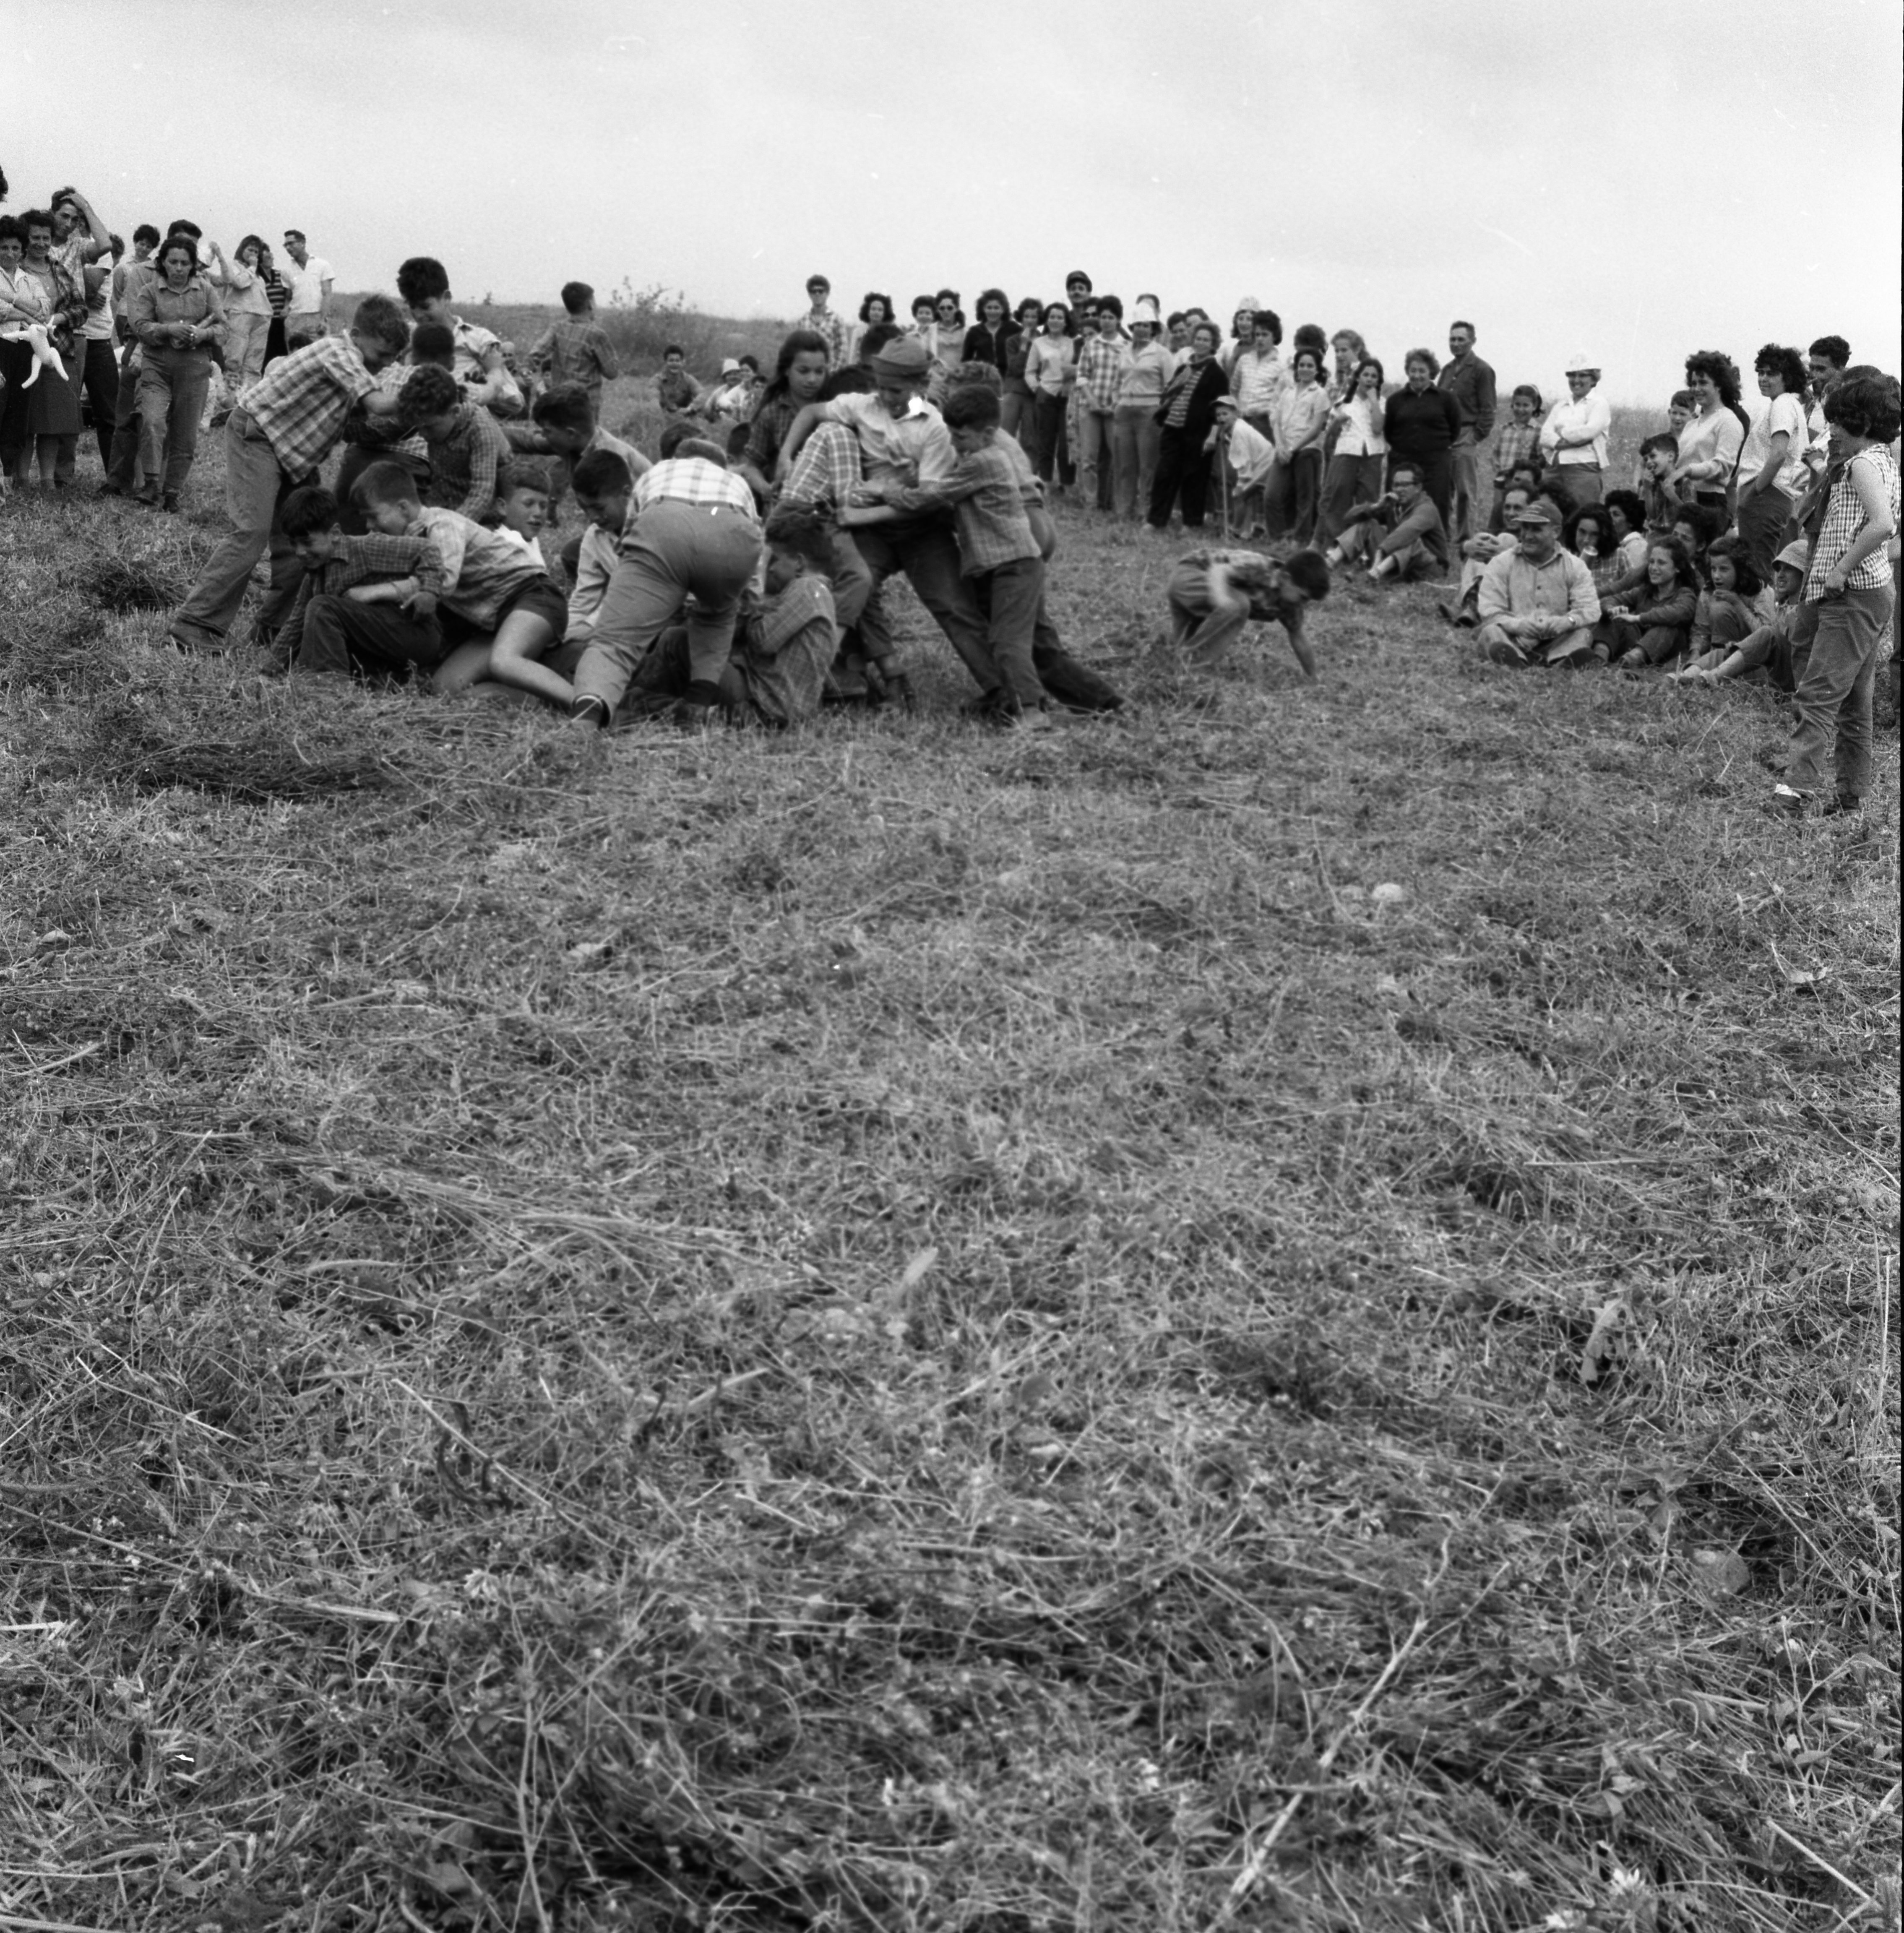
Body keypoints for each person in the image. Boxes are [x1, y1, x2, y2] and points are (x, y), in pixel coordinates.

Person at [167, 293, 412, 654]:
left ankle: (274, 630)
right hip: (258, 436)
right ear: (356, 335)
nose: (385, 365)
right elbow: (379, 405)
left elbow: (364, 427)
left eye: (394, 358)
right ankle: (194, 624)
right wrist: (426, 394)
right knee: (251, 531)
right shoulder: (339, 352)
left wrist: (414, 419)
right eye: (381, 356)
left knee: (308, 539)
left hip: (293, 457)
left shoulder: (356, 368)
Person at [842, 383, 1051, 728]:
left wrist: (884, 491)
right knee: (1009, 635)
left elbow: (928, 498)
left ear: (986, 433)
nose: (953, 444)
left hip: (1013, 563)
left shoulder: (981, 461)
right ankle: (1020, 700)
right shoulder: (977, 455)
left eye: (960, 438)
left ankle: (1030, 708)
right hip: (1005, 562)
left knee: (1006, 639)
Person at [568, 425, 765, 729]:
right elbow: (753, 557)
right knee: (717, 617)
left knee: (613, 645)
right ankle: (697, 705)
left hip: (665, 522)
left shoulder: (658, 472)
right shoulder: (735, 482)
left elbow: (631, 543)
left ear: (679, 457)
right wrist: (747, 601)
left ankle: (582, 726)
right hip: (732, 534)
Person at [1768, 372, 1899, 820]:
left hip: (1853, 595)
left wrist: (1842, 569)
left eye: (1838, 424)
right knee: (1854, 702)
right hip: (1871, 595)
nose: (1832, 434)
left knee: (1819, 695)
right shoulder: (1876, 461)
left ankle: (1795, 792)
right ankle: (1850, 797)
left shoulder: (1863, 465)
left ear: (1859, 423)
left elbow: (1882, 524)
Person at [276, 481, 447, 678]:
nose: (300, 552)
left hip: (415, 633)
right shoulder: (314, 576)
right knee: (318, 627)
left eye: (307, 542)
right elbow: (295, 624)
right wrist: (268, 671)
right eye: (293, 544)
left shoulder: (366, 548)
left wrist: (429, 592)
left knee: (323, 608)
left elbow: (428, 550)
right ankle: (384, 678)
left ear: (334, 534)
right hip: (383, 644)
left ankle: (328, 689)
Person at [128, 233, 226, 509]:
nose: (179, 269)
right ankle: (150, 484)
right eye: (174, 262)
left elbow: (224, 328)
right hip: (156, 368)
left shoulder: (206, 291)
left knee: (185, 433)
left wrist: (202, 334)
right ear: (163, 263)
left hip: (195, 368)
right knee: (152, 421)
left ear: (193, 264)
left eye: (185, 263)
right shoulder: (149, 291)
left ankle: (172, 493)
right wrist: (168, 330)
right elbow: (140, 326)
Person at [1164, 543, 1328, 675]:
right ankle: (1194, 668)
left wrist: (1313, 676)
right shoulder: (1260, 567)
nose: (1304, 604)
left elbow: (1298, 636)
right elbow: (1219, 569)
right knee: (1239, 605)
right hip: (1190, 576)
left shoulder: (1289, 603)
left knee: (1179, 653)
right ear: (1286, 579)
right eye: (1303, 597)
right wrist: (1222, 601)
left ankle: (1179, 666)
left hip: (1199, 600)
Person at [9, 208, 87, 486]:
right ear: (25, 239)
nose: (41, 243)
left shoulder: (60, 269)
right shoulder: (13, 272)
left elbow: (81, 309)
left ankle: (47, 481)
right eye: (35, 237)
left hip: (58, 351)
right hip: (21, 352)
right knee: (24, 421)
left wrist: (60, 318)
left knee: (52, 423)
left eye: (46, 237)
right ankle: (20, 479)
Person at [1476, 500, 1600, 668]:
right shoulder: (1501, 563)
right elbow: (1490, 610)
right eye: (1525, 528)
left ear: (1556, 532)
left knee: (1583, 634)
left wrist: (1567, 621)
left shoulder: (1575, 566)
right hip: (1513, 639)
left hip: (1555, 642)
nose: (1527, 536)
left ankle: (1561, 662)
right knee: (1490, 632)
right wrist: (1518, 625)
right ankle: (1514, 659)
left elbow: (1591, 609)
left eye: (1536, 530)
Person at [1671, 539, 1809, 688]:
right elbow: (1701, 629)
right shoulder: (1784, 605)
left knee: (1765, 632)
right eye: (1779, 569)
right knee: (1723, 653)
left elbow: (1769, 637)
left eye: (1788, 569)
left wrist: (1738, 604)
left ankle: (1714, 678)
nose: (1780, 575)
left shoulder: (1809, 610)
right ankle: (1682, 679)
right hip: (1764, 665)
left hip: (1788, 678)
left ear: (1805, 573)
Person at [394, 257, 520, 412]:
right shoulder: (407, 340)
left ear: (446, 298)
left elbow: (514, 401)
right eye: (413, 307)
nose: (419, 315)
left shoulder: (477, 340)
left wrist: (471, 391)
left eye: (425, 307)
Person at [399, 363, 511, 522]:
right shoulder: (439, 424)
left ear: (455, 412)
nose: (423, 435)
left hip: (486, 517)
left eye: (428, 428)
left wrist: (451, 525)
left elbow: (482, 493)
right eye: (419, 429)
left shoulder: (480, 430)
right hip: (451, 506)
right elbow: (439, 483)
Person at [1734, 344, 1809, 576]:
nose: (1763, 379)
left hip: (1767, 495)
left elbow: (1778, 454)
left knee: (1758, 571)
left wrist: (1754, 490)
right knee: (1764, 567)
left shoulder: (1783, 405)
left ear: (1787, 377)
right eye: (1761, 372)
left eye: (1772, 373)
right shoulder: (1788, 404)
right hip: (1774, 495)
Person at [1147, 321, 1229, 532]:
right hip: (1173, 429)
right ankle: (1156, 521)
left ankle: (1191, 523)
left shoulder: (1217, 374)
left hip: (1199, 434)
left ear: (1213, 344)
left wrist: (1213, 437)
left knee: (1195, 479)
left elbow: (1220, 411)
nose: (1201, 343)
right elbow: (1171, 395)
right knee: (1165, 475)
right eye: (1198, 339)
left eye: (1206, 340)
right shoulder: (1184, 369)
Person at [0, 214, 61, 486]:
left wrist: (13, 303)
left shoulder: (29, 279)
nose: (10, 253)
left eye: (15, 248)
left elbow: (44, 309)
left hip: (25, 350)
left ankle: (7, 474)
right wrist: (22, 311)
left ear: (22, 250)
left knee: (17, 412)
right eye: (4, 247)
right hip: (2, 346)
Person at [1326, 460, 1447, 581]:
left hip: (1427, 569)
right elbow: (1349, 518)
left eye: (1405, 485)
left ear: (1418, 488)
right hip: (1397, 563)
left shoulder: (1427, 509)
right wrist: (1377, 506)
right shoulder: (1393, 505)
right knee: (1368, 524)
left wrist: (1380, 553)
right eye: (1396, 485)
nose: (1399, 490)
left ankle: (1377, 575)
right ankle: (1329, 564)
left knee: (1411, 540)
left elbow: (1407, 532)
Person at [1382, 349, 1461, 534]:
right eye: (1413, 371)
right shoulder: (1395, 400)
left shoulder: (1447, 399)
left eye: (1422, 371)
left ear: (1431, 373)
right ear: (1408, 372)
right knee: (1398, 501)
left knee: (1437, 502)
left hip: (1436, 462)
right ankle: (1397, 541)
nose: (1417, 376)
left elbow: (1454, 430)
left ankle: (1437, 545)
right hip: (1402, 460)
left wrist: (1434, 447)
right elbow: (1389, 432)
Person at [1594, 537, 1701, 669]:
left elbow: (1677, 613)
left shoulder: (1685, 594)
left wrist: (1638, 618)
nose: (1654, 568)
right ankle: (1598, 659)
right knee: (1614, 618)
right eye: (1652, 562)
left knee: (1666, 626)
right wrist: (1612, 610)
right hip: (1635, 644)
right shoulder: (1644, 592)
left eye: (1661, 563)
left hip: (1665, 653)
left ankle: (1629, 662)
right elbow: (1610, 600)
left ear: (1677, 568)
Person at [1435, 320, 1497, 544]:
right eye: (1453, 339)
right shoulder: (1447, 370)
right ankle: (1441, 536)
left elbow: (1488, 409)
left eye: (1461, 339)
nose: (1456, 344)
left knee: (1465, 492)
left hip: (1466, 434)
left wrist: (1474, 436)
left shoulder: (1482, 370)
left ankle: (1466, 541)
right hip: (1444, 438)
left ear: (1473, 341)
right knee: (1442, 491)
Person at [1111, 301, 1173, 521]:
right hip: (1125, 409)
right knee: (1125, 464)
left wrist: (1162, 411)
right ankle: (1123, 510)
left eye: (1146, 325)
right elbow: (1117, 380)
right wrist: (1116, 403)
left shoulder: (1162, 354)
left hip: (1149, 410)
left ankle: (1147, 511)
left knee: (1149, 465)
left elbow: (1171, 387)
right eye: (1138, 325)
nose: (1141, 330)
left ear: (1154, 329)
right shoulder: (1124, 351)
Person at [1318, 355, 1387, 544]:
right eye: (1366, 375)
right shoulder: (1344, 401)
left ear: (1379, 380)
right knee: (1339, 497)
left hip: (1372, 455)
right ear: (1358, 377)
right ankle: (1336, 543)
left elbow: (1377, 429)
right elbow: (1330, 432)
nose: (1370, 379)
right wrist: (1338, 422)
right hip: (1347, 453)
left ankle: (1364, 546)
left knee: (1368, 501)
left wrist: (1374, 401)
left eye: (1374, 376)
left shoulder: (1382, 402)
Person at [1266, 344, 1330, 543]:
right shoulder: (1288, 392)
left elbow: (1316, 428)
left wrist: (1294, 449)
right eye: (1302, 365)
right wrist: (1280, 445)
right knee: (1272, 495)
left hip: (1307, 451)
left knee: (1305, 498)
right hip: (1284, 449)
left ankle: (1301, 539)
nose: (1305, 369)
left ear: (1317, 370)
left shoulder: (1319, 394)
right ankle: (1278, 538)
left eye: (1310, 366)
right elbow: (1277, 420)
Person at [1072, 297, 1128, 516]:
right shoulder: (1090, 345)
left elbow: (1127, 378)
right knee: (1089, 459)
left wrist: (1115, 404)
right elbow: (1082, 376)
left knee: (1115, 458)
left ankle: (1113, 503)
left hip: (1115, 409)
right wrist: (1093, 402)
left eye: (1111, 318)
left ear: (1119, 320)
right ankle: (1091, 503)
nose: (1106, 322)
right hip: (1090, 407)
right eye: (1103, 317)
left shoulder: (1126, 347)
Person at [526, 282, 620, 407]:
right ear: (590, 304)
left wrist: (526, 369)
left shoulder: (557, 328)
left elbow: (537, 353)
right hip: (586, 405)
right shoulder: (597, 335)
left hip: (560, 402)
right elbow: (612, 372)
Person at [1538, 357, 1612, 511]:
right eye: (1572, 375)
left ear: (1593, 380)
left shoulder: (1599, 404)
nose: (1576, 380)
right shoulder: (1561, 405)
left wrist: (1562, 432)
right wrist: (1565, 443)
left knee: (1581, 514)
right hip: (1554, 467)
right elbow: (1545, 435)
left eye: (1583, 375)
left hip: (1583, 467)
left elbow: (1589, 432)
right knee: (1547, 512)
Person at [206, 236, 276, 396]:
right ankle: (228, 399)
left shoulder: (258, 274)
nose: (253, 254)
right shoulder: (234, 265)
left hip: (262, 317)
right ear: (242, 249)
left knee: (254, 364)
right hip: (240, 314)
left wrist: (254, 269)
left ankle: (249, 398)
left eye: (256, 252)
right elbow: (238, 283)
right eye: (250, 250)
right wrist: (252, 268)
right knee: (234, 360)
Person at [1023, 302, 1076, 490]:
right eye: (1052, 317)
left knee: (1066, 444)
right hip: (1046, 395)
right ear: (1046, 320)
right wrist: (1037, 388)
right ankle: (1045, 481)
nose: (1055, 321)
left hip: (1068, 397)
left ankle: (1067, 483)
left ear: (1066, 321)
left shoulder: (1073, 343)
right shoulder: (1039, 343)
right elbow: (1029, 372)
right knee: (1045, 442)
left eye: (1060, 317)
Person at [1489, 386, 1543, 531]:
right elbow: (1496, 453)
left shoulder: (1538, 431)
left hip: (1524, 484)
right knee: (1501, 512)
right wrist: (1500, 471)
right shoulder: (1506, 429)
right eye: (1517, 405)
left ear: (1535, 406)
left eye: (1526, 405)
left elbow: (1541, 459)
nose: (1521, 409)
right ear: (1512, 405)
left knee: (1522, 515)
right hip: (1503, 482)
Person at [1229, 308, 1284, 437]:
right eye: (1258, 335)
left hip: (1263, 423)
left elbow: (1281, 401)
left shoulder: (1280, 367)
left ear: (1274, 336)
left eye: (1265, 335)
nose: (1260, 339)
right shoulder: (1244, 360)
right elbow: (1234, 389)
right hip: (1242, 420)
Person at [281, 230, 333, 345]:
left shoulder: (322, 265)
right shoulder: (286, 270)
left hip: (316, 317)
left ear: (302, 243)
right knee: (295, 356)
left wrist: (323, 319)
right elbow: (289, 297)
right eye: (286, 245)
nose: (289, 248)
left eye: (291, 244)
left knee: (320, 353)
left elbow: (327, 294)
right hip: (295, 319)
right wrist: (286, 310)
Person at [1001, 296, 1042, 440]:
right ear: (1021, 318)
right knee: (1006, 436)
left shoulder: (1044, 341)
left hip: (1033, 394)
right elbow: (1015, 369)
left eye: (1034, 317)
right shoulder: (1012, 341)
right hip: (1014, 391)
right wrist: (1024, 346)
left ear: (1039, 320)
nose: (1030, 321)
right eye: (1026, 317)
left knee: (1030, 440)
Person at [961, 289, 1019, 376]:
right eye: (989, 308)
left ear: (1003, 310)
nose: (993, 312)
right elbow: (966, 360)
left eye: (996, 308)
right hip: (983, 378)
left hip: (1008, 377)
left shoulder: (1014, 328)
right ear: (983, 309)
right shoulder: (974, 332)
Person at [800, 275, 850, 370]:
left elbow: (843, 349)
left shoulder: (837, 320)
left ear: (827, 293)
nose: (817, 294)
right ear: (809, 295)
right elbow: (799, 348)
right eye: (814, 291)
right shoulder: (804, 321)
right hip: (809, 372)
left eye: (821, 291)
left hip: (830, 372)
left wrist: (834, 371)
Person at [847, 292, 894, 366]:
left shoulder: (890, 333)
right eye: (873, 309)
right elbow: (852, 357)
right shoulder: (858, 332)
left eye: (880, 310)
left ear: (885, 313)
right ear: (867, 311)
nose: (876, 312)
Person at [652, 343, 700, 414]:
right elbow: (653, 399)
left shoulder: (689, 379)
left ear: (682, 363)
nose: (674, 364)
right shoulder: (656, 380)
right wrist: (659, 412)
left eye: (677, 361)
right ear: (665, 363)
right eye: (671, 361)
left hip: (686, 415)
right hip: (663, 415)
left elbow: (702, 394)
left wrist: (690, 408)